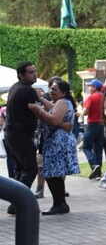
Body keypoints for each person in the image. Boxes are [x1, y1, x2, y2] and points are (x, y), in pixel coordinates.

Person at [26, 80, 79, 215]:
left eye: (55, 89)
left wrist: (39, 110)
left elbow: (54, 119)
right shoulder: (62, 102)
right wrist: (41, 99)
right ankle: (60, 203)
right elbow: (52, 109)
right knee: (53, 173)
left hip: (57, 142)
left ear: (63, 92)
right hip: (58, 141)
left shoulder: (62, 102)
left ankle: (59, 204)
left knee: (52, 174)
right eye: (51, 88)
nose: (51, 91)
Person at [3, 62, 41, 215]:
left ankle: (14, 204)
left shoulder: (15, 87)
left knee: (20, 169)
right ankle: (18, 203)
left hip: (12, 133)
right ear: (22, 75)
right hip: (20, 133)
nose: (34, 74)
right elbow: (37, 112)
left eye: (35, 71)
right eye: (31, 72)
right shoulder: (27, 91)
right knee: (30, 168)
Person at [82, 79, 105, 180]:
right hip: (102, 125)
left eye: (90, 86)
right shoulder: (104, 98)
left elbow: (86, 112)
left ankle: (94, 165)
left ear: (94, 87)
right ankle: (98, 174)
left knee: (86, 147)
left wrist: (81, 112)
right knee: (98, 149)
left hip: (92, 125)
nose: (89, 88)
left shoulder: (91, 97)